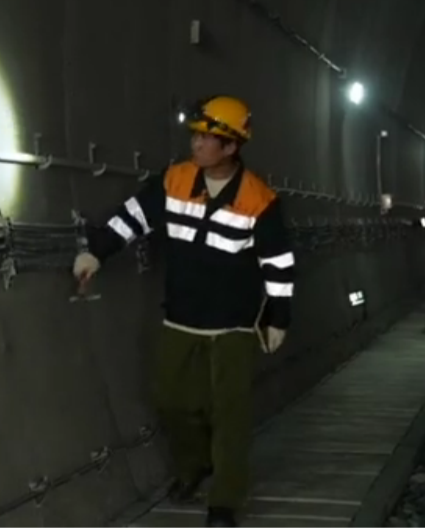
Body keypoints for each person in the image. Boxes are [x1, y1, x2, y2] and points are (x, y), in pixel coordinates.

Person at [72, 95, 295, 528]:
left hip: (234, 324)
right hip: (182, 317)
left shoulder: (259, 200)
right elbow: (132, 218)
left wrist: (278, 317)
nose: (196, 143)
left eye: (206, 138)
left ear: (231, 146)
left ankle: (224, 501)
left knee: (229, 414)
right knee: (171, 400)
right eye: (195, 135)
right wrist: (96, 253)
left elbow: (278, 264)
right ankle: (194, 465)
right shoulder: (175, 180)